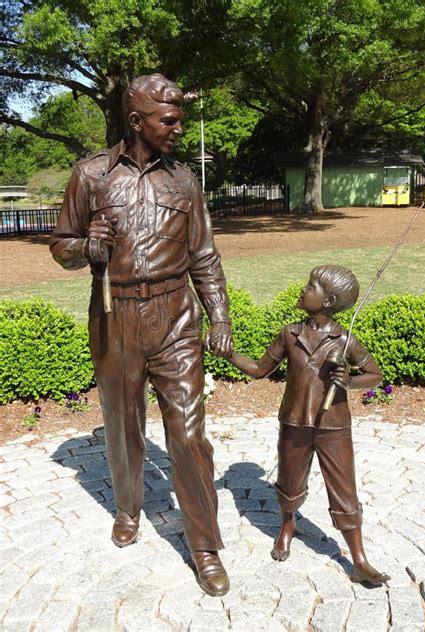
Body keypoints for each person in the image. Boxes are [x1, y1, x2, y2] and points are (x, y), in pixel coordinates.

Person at [50, 74, 232, 597]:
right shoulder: (90, 176)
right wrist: (87, 246)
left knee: (189, 432)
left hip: (176, 315)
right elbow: (61, 246)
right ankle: (128, 508)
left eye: (180, 119)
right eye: (169, 120)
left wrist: (218, 315)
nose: (178, 129)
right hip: (115, 314)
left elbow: (203, 254)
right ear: (137, 122)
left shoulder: (184, 181)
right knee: (123, 425)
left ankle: (204, 546)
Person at [221, 265, 390, 585]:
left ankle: (358, 559)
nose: (303, 289)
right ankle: (288, 526)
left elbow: (375, 375)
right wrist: (228, 353)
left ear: (330, 300)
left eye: (311, 286)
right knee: (289, 481)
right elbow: (259, 369)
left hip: (333, 425)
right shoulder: (290, 334)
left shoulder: (345, 339)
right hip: (295, 421)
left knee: (344, 489)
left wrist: (349, 381)